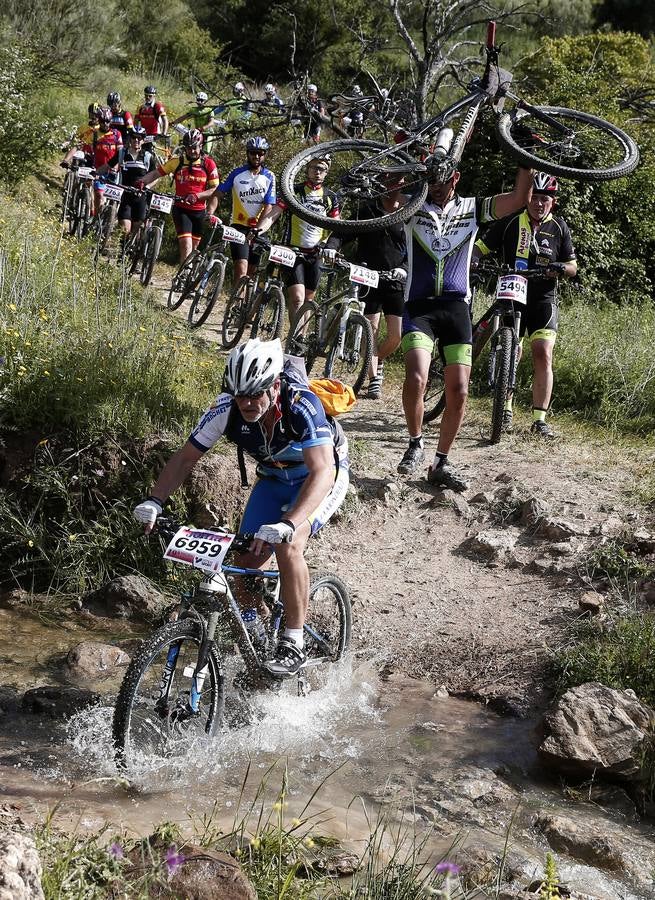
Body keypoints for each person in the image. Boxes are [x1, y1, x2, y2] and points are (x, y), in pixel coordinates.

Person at [133, 338, 350, 677]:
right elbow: (185, 458)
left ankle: (293, 640)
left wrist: (290, 522)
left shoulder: (300, 404)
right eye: (240, 395)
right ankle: (258, 640)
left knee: (288, 544)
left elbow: (322, 471)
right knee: (244, 562)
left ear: (274, 385)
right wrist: (154, 500)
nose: (247, 403)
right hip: (274, 478)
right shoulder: (227, 409)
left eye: (255, 394)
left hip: (320, 476)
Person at [397, 165, 533, 490]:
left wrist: (525, 159)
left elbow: (519, 199)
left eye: (442, 181)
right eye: (430, 181)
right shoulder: (414, 206)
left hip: (456, 308)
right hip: (420, 306)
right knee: (416, 376)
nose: (436, 187)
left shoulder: (471, 208)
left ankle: (441, 462)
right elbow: (387, 203)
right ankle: (415, 443)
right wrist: (402, 162)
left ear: (455, 177)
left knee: (459, 391)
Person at [473, 172, 577, 438]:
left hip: (543, 298)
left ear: (552, 202)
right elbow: (481, 248)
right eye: (534, 198)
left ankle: (539, 419)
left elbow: (573, 266)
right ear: (527, 198)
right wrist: (472, 261)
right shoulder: (510, 222)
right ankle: (505, 409)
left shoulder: (559, 227)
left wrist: (561, 268)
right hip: (513, 293)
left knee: (543, 352)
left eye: (544, 199)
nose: (539, 204)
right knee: (512, 350)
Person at [344, 172, 408, 399]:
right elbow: (345, 231)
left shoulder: (408, 210)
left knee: (396, 337)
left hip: (395, 279)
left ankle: (375, 358)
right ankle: (373, 380)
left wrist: (406, 268)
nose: (395, 185)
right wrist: (332, 245)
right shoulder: (368, 209)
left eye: (399, 181)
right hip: (369, 277)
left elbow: (415, 245)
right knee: (370, 330)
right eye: (390, 180)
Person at [257, 153, 340, 321]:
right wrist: (258, 231)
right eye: (314, 167)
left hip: (316, 254)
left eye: (322, 169)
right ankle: (293, 337)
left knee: (309, 301)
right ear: (307, 170)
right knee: (297, 299)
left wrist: (331, 247)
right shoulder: (294, 191)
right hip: (293, 251)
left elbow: (336, 227)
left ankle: (298, 342)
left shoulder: (331, 197)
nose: (318, 172)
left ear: (326, 172)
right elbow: (274, 214)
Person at [137, 129, 219, 262]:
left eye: (194, 148)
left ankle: (185, 278)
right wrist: (142, 181)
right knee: (186, 244)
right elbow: (156, 173)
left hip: (199, 211)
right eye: (188, 148)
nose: (192, 151)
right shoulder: (177, 161)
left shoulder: (208, 164)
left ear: (201, 146)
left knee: (193, 250)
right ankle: (182, 278)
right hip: (181, 209)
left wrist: (197, 196)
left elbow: (215, 190)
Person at [214, 136, 275, 285]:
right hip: (238, 226)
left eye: (260, 153)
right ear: (247, 153)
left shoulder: (270, 176)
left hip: (258, 229)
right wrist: (210, 213)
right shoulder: (236, 173)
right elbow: (218, 193)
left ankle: (243, 306)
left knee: (251, 274)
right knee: (241, 268)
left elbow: (269, 206)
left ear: (265, 154)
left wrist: (258, 229)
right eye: (253, 153)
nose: (256, 156)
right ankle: (235, 304)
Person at [111, 126, 156, 237]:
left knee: (135, 232)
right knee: (125, 232)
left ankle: (134, 250)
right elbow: (108, 165)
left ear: (143, 140)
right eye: (134, 137)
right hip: (126, 196)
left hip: (141, 197)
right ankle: (122, 252)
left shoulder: (148, 157)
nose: (136, 140)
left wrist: (148, 186)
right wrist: (96, 174)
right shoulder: (122, 153)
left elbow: (156, 176)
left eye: (139, 138)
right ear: (130, 138)